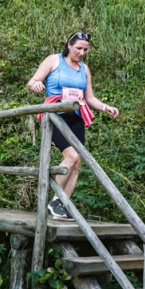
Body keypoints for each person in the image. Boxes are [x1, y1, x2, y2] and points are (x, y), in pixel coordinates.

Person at [26, 32, 119, 220]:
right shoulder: (54, 60)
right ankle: (55, 199)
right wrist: (35, 85)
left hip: (76, 117)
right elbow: (32, 81)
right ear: (69, 45)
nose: (82, 52)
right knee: (71, 155)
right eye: (78, 48)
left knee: (77, 163)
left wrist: (105, 107)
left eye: (85, 49)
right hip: (54, 116)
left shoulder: (84, 69)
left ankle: (62, 205)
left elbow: (89, 98)